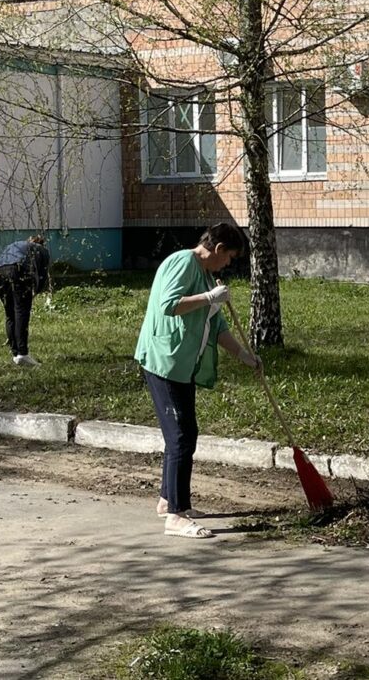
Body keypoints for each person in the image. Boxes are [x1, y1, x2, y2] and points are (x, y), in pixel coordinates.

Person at [135, 223, 262, 539]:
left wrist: (244, 356)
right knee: (180, 436)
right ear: (218, 250)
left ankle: (169, 501)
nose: (229, 264)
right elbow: (169, 304)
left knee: (185, 434)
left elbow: (217, 326)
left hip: (183, 365)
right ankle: (176, 516)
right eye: (229, 257)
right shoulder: (183, 262)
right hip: (164, 362)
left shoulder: (206, 275)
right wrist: (208, 296)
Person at [0, 234, 51, 367]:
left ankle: (15, 353)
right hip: (18, 270)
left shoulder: (16, 245)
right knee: (21, 312)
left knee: (10, 314)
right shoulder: (41, 250)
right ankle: (23, 354)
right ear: (42, 243)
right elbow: (42, 274)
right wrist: (37, 291)